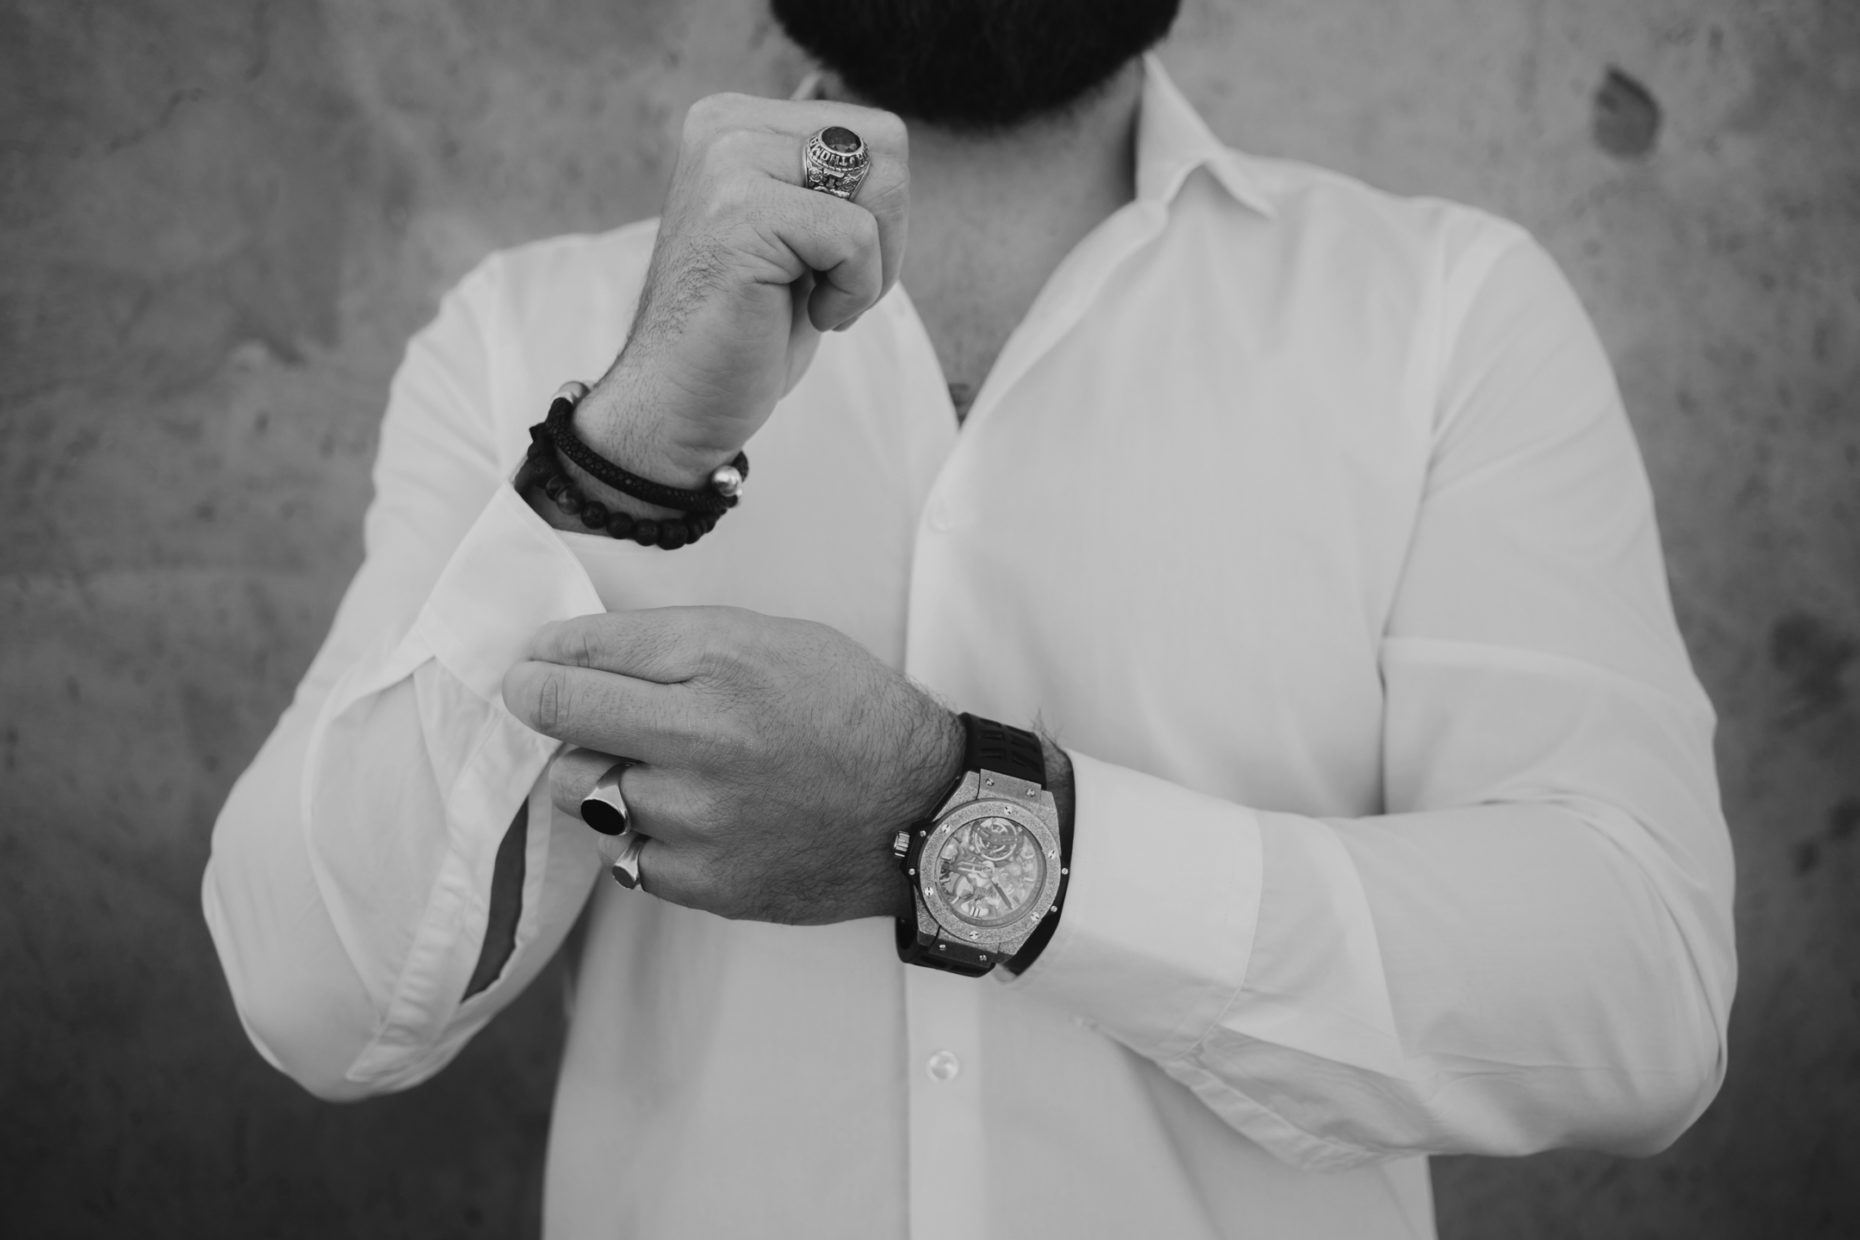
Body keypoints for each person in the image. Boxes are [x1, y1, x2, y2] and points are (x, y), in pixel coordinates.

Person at [202, 1, 1737, 1236]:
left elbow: (1635, 983)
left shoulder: (1448, 313)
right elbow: (323, 1003)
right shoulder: (523, 337)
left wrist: (954, 824)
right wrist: (620, 458)